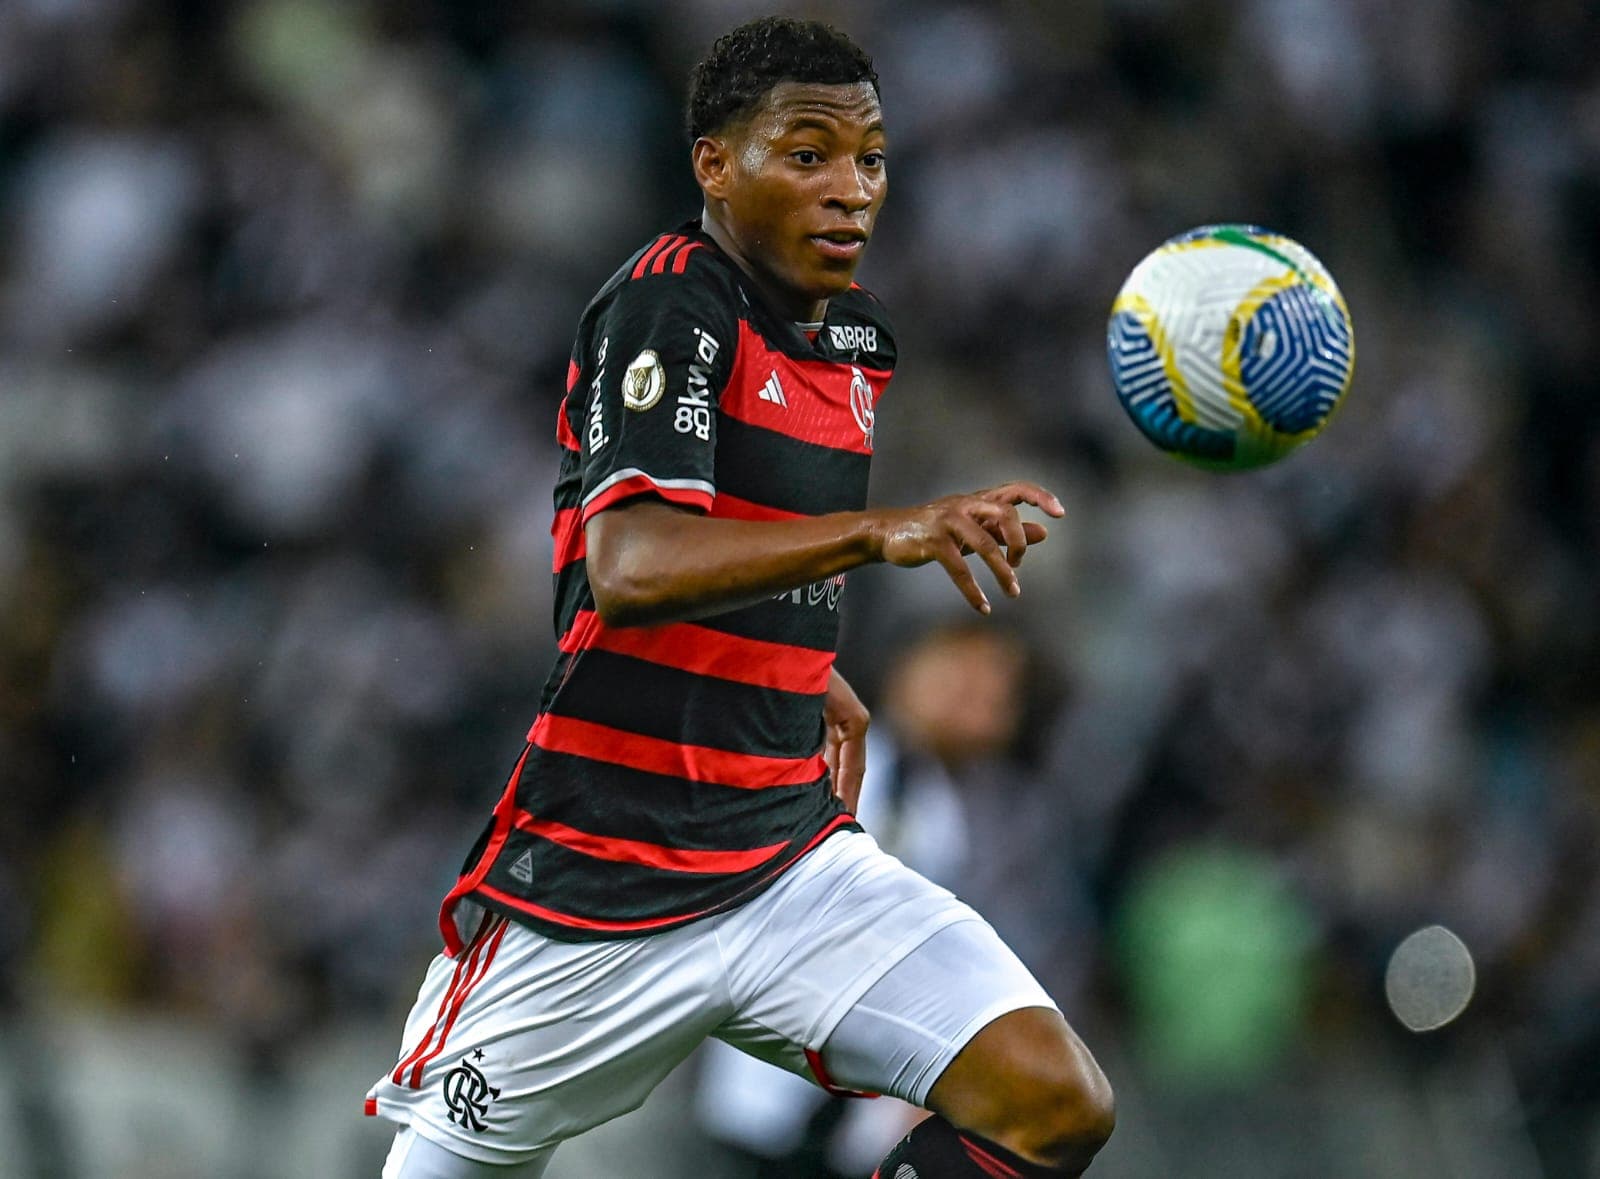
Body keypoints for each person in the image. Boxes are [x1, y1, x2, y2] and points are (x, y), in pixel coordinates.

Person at [365, 17, 1114, 1179]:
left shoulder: (854, 340)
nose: (849, 189)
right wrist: (879, 532)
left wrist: (802, 663)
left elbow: (746, 541)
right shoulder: (668, 304)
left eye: (870, 159)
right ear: (714, 165)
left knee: (1053, 1101)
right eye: (807, 154)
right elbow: (629, 567)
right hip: (603, 881)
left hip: (785, 857)